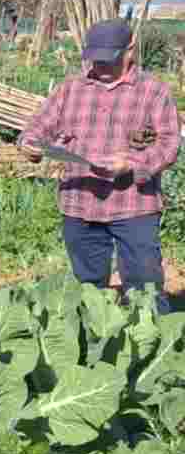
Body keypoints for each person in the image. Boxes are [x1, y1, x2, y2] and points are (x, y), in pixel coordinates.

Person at [19, 20, 180, 311]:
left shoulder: (153, 91)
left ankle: (159, 349)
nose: (102, 66)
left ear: (130, 50)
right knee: (88, 286)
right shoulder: (70, 89)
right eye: (96, 59)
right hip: (79, 204)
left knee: (145, 286)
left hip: (134, 205)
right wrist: (30, 144)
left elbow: (169, 146)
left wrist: (131, 163)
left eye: (110, 58)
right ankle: (93, 343)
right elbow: (37, 127)